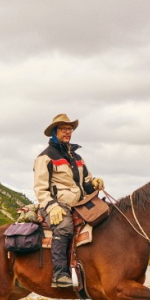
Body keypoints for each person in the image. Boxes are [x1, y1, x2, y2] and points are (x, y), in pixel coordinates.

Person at [32, 114, 104, 287]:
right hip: (56, 205)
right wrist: (51, 206)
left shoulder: (77, 157)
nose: (68, 132)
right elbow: (40, 188)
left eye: (70, 129)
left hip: (79, 204)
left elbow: (85, 183)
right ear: (54, 131)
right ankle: (59, 274)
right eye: (64, 128)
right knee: (64, 226)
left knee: (105, 214)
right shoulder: (45, 157)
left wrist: (94, 183)